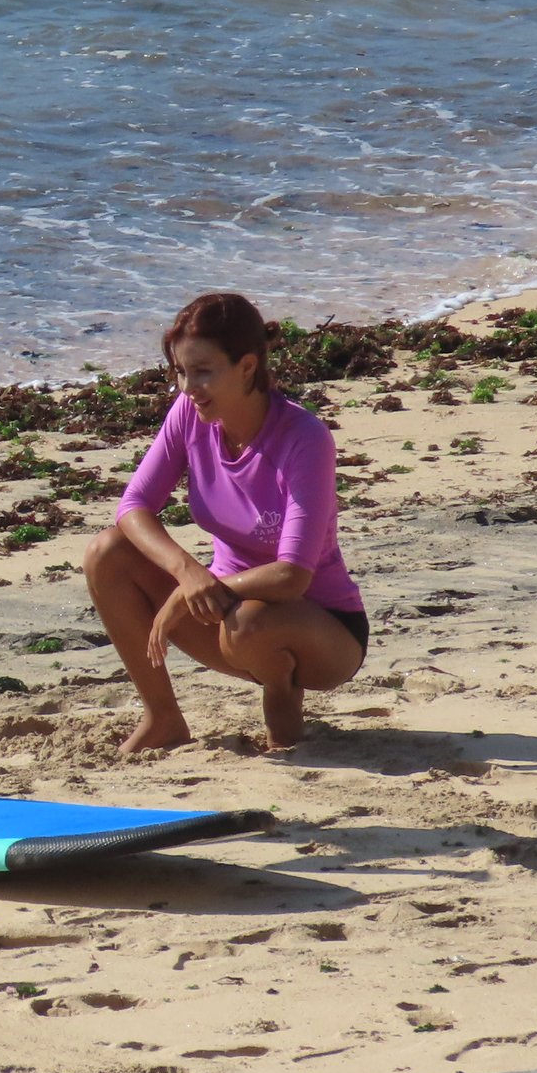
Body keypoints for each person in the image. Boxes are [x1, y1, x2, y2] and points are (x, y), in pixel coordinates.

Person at [84, 291, 368, 754]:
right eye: (180, 372)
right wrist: (186, 572)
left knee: (250, 620)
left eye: (203, 372)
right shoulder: (189, 416)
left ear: (248, 367)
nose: (187, 387)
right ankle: (163, 719)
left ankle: (284, 713)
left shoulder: (304, 438)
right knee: (107, 552)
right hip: (226, 615)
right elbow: (133, 506)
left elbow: (293, 575)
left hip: (324, 634)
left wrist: (191, 595)